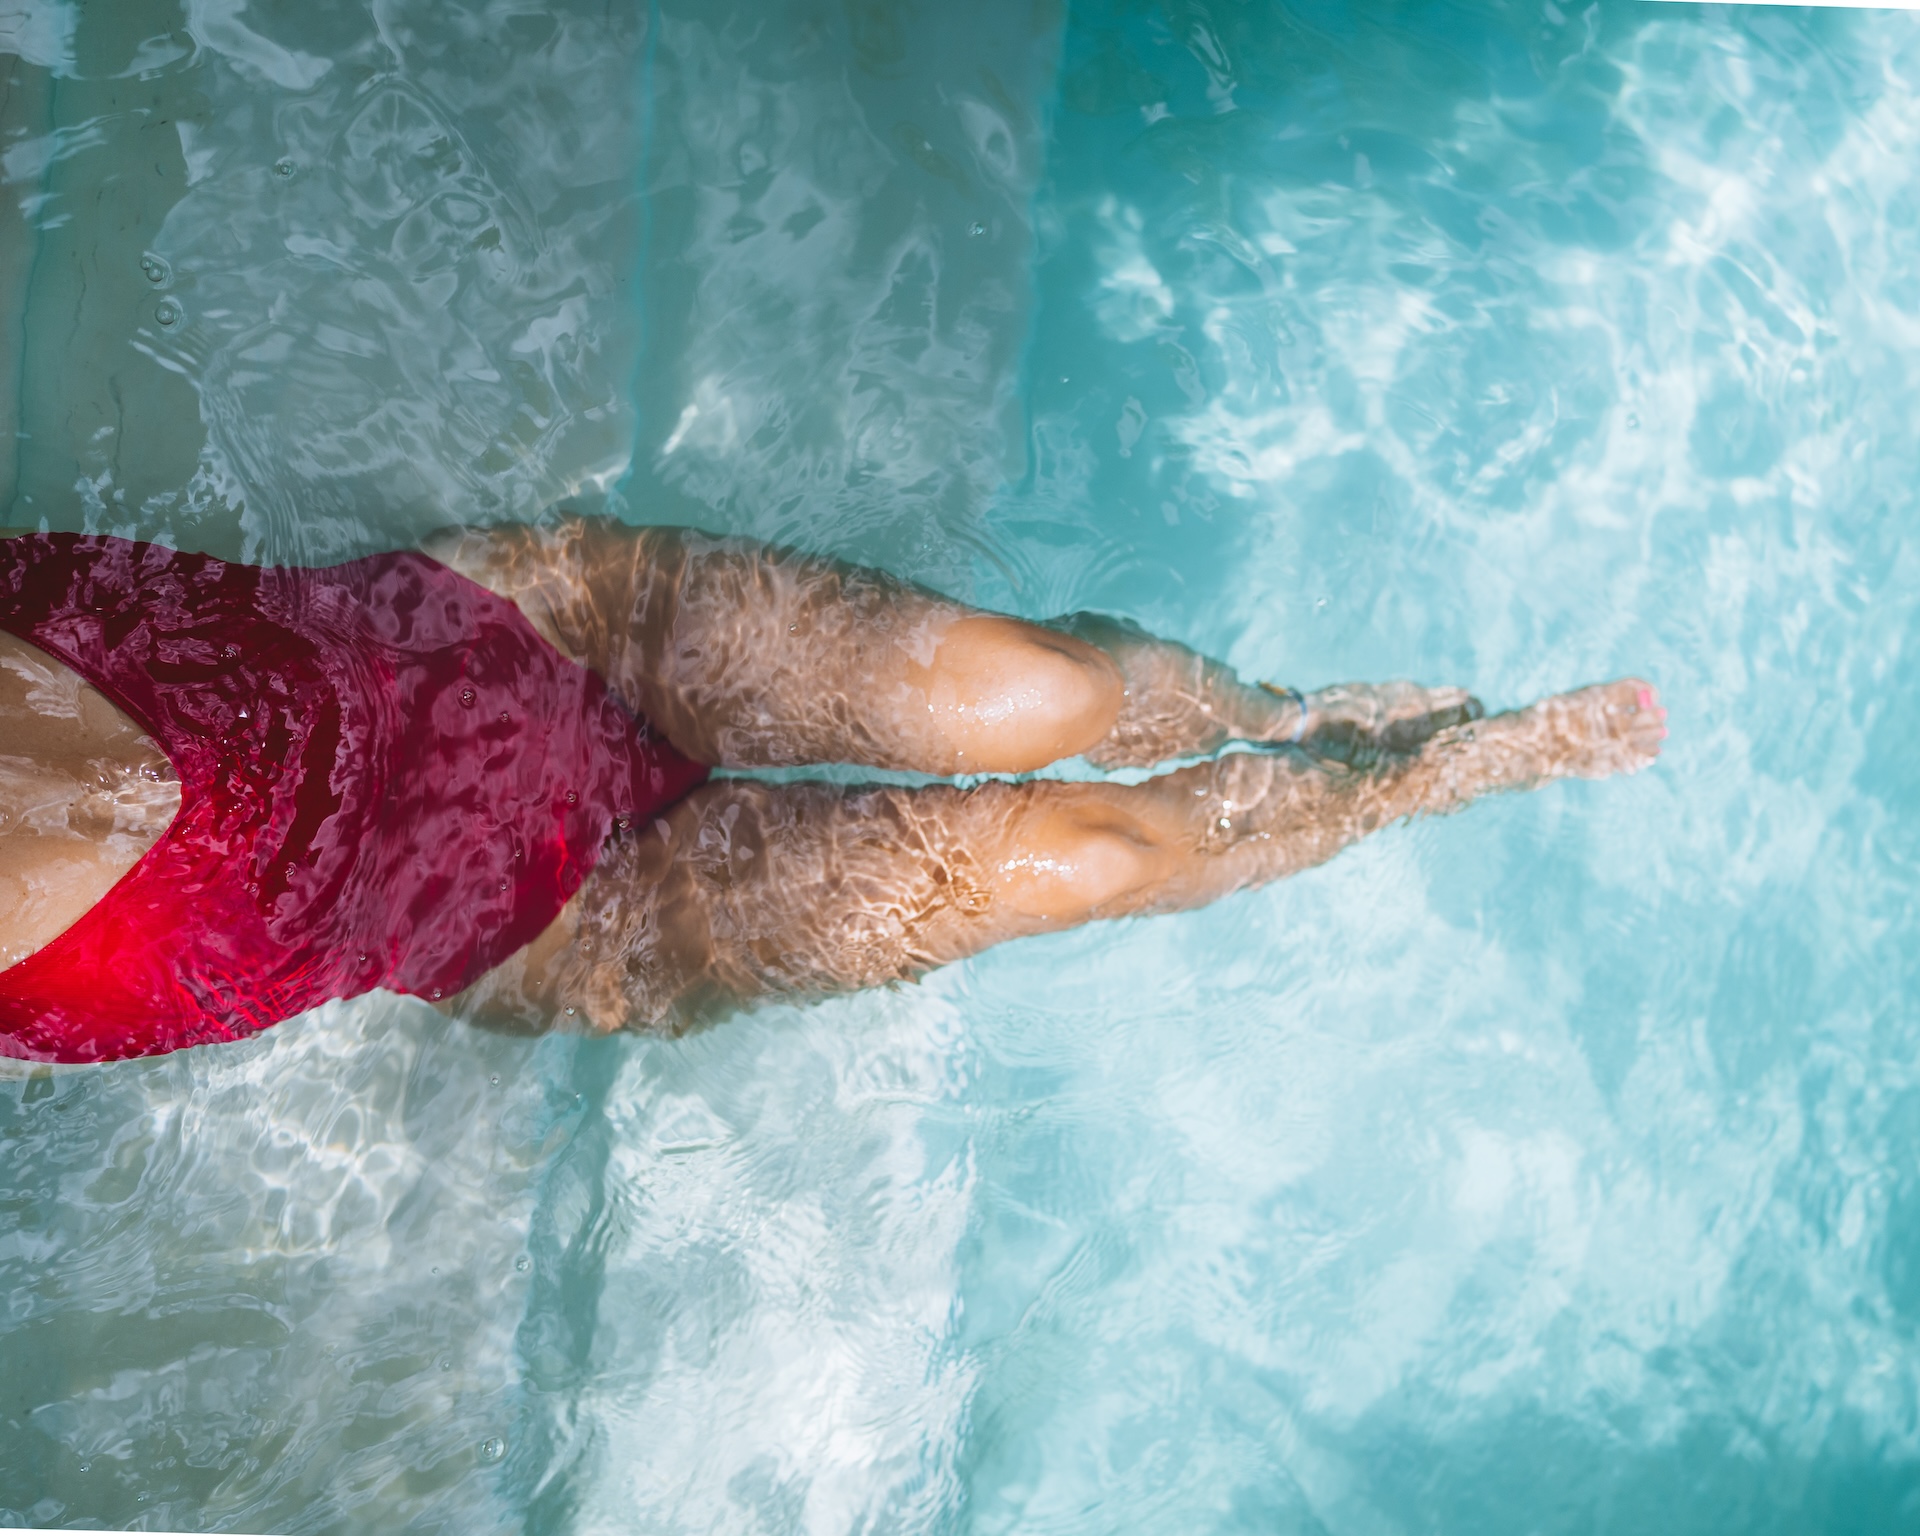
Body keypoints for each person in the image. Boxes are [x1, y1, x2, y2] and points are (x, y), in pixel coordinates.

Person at [0, 517, 1664, 1064]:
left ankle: (1291, 713)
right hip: (548, 921)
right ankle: (1443, 773)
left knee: (1054, 693)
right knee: (1081, 854)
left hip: (517, 631)